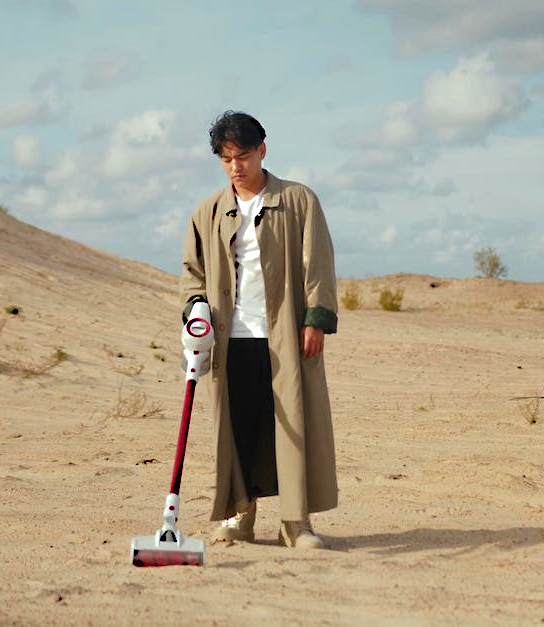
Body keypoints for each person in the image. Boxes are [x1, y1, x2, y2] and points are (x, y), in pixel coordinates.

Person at [180, 111, 339, 549]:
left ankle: (297, 524)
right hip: (229, 343)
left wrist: (316, 319)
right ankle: (238, 517)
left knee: (292, 426)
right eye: (227, 158)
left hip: (285, 336)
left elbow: (318, 264)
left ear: (262, 151)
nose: (236, 166)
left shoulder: (299, 201)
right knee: (238, 428)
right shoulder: (207, 212)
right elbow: (192, 274)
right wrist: (195, 311)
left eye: (244, 155)